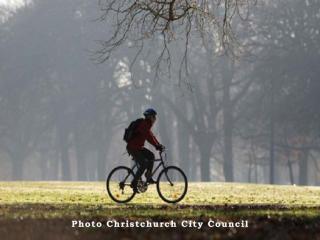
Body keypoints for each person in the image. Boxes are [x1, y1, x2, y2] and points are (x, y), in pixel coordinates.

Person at [126, 108, 164, 193]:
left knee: (151, 156)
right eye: (154, 117)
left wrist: (158, 145)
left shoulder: (147, 125)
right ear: (150, 117)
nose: (155, 119)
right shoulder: (143, 125)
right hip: (133, 147)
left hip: (138, 147)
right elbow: (148, 137)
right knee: (143, 164)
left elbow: (152, 136)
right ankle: (134, 182)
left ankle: (148, 176)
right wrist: (156, 146)